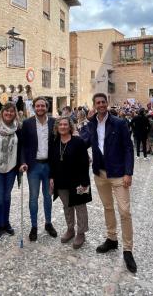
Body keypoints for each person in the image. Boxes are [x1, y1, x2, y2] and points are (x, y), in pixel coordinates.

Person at [82, 93, 137, 274]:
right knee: (107, 207)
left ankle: (128, 249)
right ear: (94, 105)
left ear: (107, 104)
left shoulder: (119, 123)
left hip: (119, 173)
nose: (101, 105)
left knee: (125, 211)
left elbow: (129, 149)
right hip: (100, 173)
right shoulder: (91, 124)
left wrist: (128, 173)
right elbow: (83, 142)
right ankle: (111, 239)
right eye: (97, 103)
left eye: (103, 102)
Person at [49, 116, 91, 249]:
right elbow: (52, 162)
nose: (63, 127)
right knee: (67, 207)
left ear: (70, 127)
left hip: (78, 181)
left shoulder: (78, 141)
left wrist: (85, 182)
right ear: (57, 127)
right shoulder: (55, 142)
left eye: (65, 124)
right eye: (60, 124)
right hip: (61, 181)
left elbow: (85, 162)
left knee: (80, 207)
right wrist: (51, 178)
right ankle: (70, 229)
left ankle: (81, 233)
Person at [20, 96, 57, 242]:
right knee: (33, 198)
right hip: (33, 166)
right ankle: (34, 226)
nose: (40, 108)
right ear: (34, 107)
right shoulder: (27, 123)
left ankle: (48, 223)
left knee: (48, 196)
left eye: (43, 106)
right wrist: (23, 162)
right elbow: (22, 145)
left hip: (49, 165)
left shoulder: (54, 122)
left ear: (46, 107)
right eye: (38, 106)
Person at [0, 103, 22, 241]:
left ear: (15, 114)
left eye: (12, 111)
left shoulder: (18, 128)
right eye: (6, 111)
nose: (9, 113)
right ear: (2, 112)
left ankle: (6, 223)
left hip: (11, 168)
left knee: (6, 197)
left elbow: (22, 147)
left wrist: (22, 163)